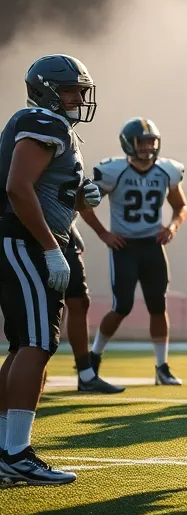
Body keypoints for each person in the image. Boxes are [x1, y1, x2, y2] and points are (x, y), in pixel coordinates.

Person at [0, 54, 98, 485]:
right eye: (70, 90)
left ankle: (6, 448)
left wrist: (78, 195)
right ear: (47, 91)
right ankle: (16, 453)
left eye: (80, 90)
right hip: (25, 240)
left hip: (21, 238)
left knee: (24, 344)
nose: (78, 97)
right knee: (38, 343)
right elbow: (18, 188)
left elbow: (40, 187)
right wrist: (49, 247)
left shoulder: (52, 126)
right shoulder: (43, 123)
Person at [80, 118, 187, 385]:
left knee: (158, 305)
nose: (147, 147)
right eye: (142, 142)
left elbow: (181, 206)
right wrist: (103, 233)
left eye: (151, 142)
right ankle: (94, 356)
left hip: (152, 245)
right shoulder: (113, 171)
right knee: (122, 306)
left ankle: (162, 367)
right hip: (125, 246)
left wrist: (173, 227)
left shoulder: (167, 171)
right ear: (129, 143)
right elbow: (83, 203)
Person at [65, 221, 123, 393]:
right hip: (33, 241)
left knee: (79, 301)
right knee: (46, 310)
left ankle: (86, 374)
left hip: (64, 239)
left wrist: (71, 230)